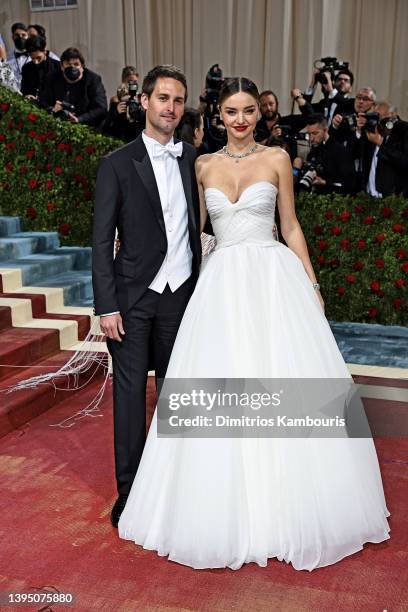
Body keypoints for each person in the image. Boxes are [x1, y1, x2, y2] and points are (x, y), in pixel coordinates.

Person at [117, 77, 390, 571]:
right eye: (231, 111)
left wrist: (310, 282)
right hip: (220, 286)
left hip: (272, 279)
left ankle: (291, 506)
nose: (240, 119)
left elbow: (289, 224)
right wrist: (133, 248)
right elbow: (187, 229)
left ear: (258, 115)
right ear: (218, 116)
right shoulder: (202, 164)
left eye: (248, 110)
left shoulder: (278, 158)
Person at [92, 65, 202, 528]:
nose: (170, 108)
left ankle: (176, 490)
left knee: (178, 397)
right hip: (133, 302)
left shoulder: (195, 159)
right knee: (131, 400)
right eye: (163, 99)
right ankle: (130, 493)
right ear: (144, 102)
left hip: (182, 298)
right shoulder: (117, 163)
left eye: (178, 101)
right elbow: (100, 241)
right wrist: (107, 305)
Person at [39, 47, 107, 127]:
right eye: (68, 64)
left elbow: (101, 108)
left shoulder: (93, 80)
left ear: (82, 67)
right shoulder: (52, 77)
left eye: (76, 64)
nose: (72, 67)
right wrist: (52, 109)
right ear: (61, 67)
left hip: (85, 125)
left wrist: (79, 119)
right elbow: (42, 100)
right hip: (57, 123)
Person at [298, 114, 357, 194]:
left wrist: (324, 182)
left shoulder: (340, 151)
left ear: (325, 130)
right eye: (309, 134)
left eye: (315, 133)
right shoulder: (312, 153)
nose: (311, 138)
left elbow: (350, 184)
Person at [101, 66, 145, 141]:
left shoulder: (141, 99)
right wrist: (117, 112)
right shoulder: (116, 101)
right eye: (129, 82)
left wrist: (140, 108)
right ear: (123, 81)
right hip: (122, 140)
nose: (132, 85)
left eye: (135, 82)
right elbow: (106, 128)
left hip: (138, 139)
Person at [21, 35, 60, 100]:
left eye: (38, 57)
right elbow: (24, 90)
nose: (36, 62)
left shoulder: (57, 66)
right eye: (32, 58)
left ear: (45, 51)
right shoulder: (26, 68)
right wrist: (27, 96)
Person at [6, 22, 29, 89]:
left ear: (28, 36)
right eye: (17, 35)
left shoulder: (35, 56)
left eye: (23, 35)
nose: (20, 37)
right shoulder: (7, 57)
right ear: (13, 37)